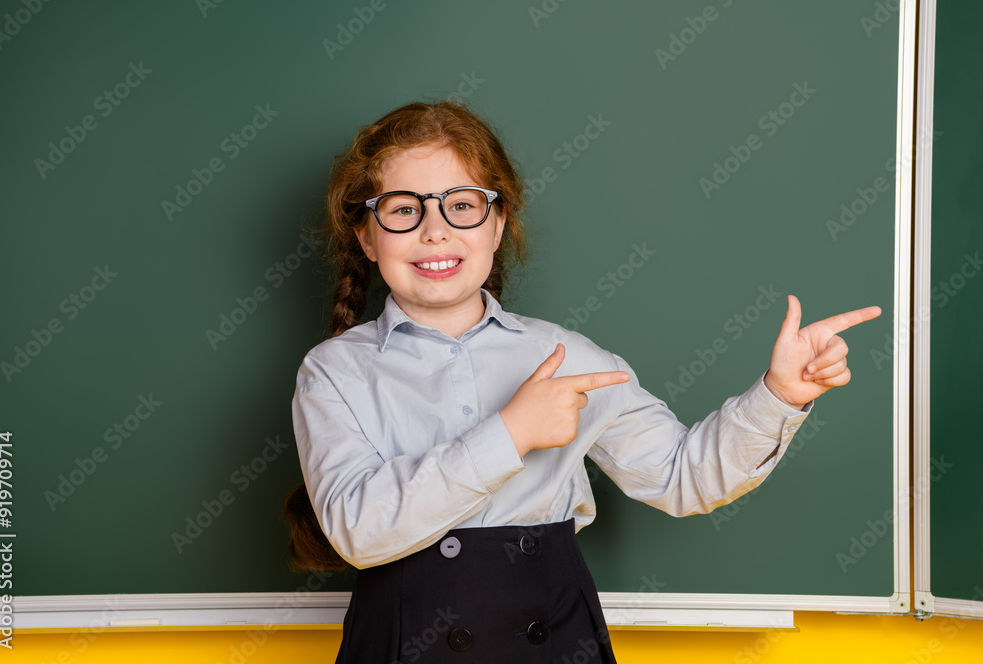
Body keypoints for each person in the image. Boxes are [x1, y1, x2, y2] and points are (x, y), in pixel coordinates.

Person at [287, 100, 881, 663]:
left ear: (498, 225)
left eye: (462, 205)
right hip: (398, 641)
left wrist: (779, 395)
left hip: (552, 640)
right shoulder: (334, 370)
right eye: (403, 209)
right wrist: (512, 431)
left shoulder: (567, 356)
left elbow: (683, 478)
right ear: (366, 235)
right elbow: (358, 532)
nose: (435, 231)